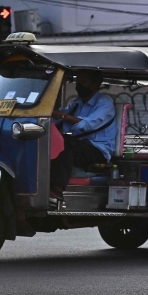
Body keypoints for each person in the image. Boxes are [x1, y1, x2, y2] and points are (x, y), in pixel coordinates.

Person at [50, 71, 117, 207]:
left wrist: (64, 116)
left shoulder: (104, 104)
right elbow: (60, 118)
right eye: (77, 81)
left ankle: (57, 189)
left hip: (98, 151)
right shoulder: (77, 103)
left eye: (83, 81)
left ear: (95, 84)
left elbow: (88, 124)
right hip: (80, 148)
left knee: (65, 143)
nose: (78, 85)